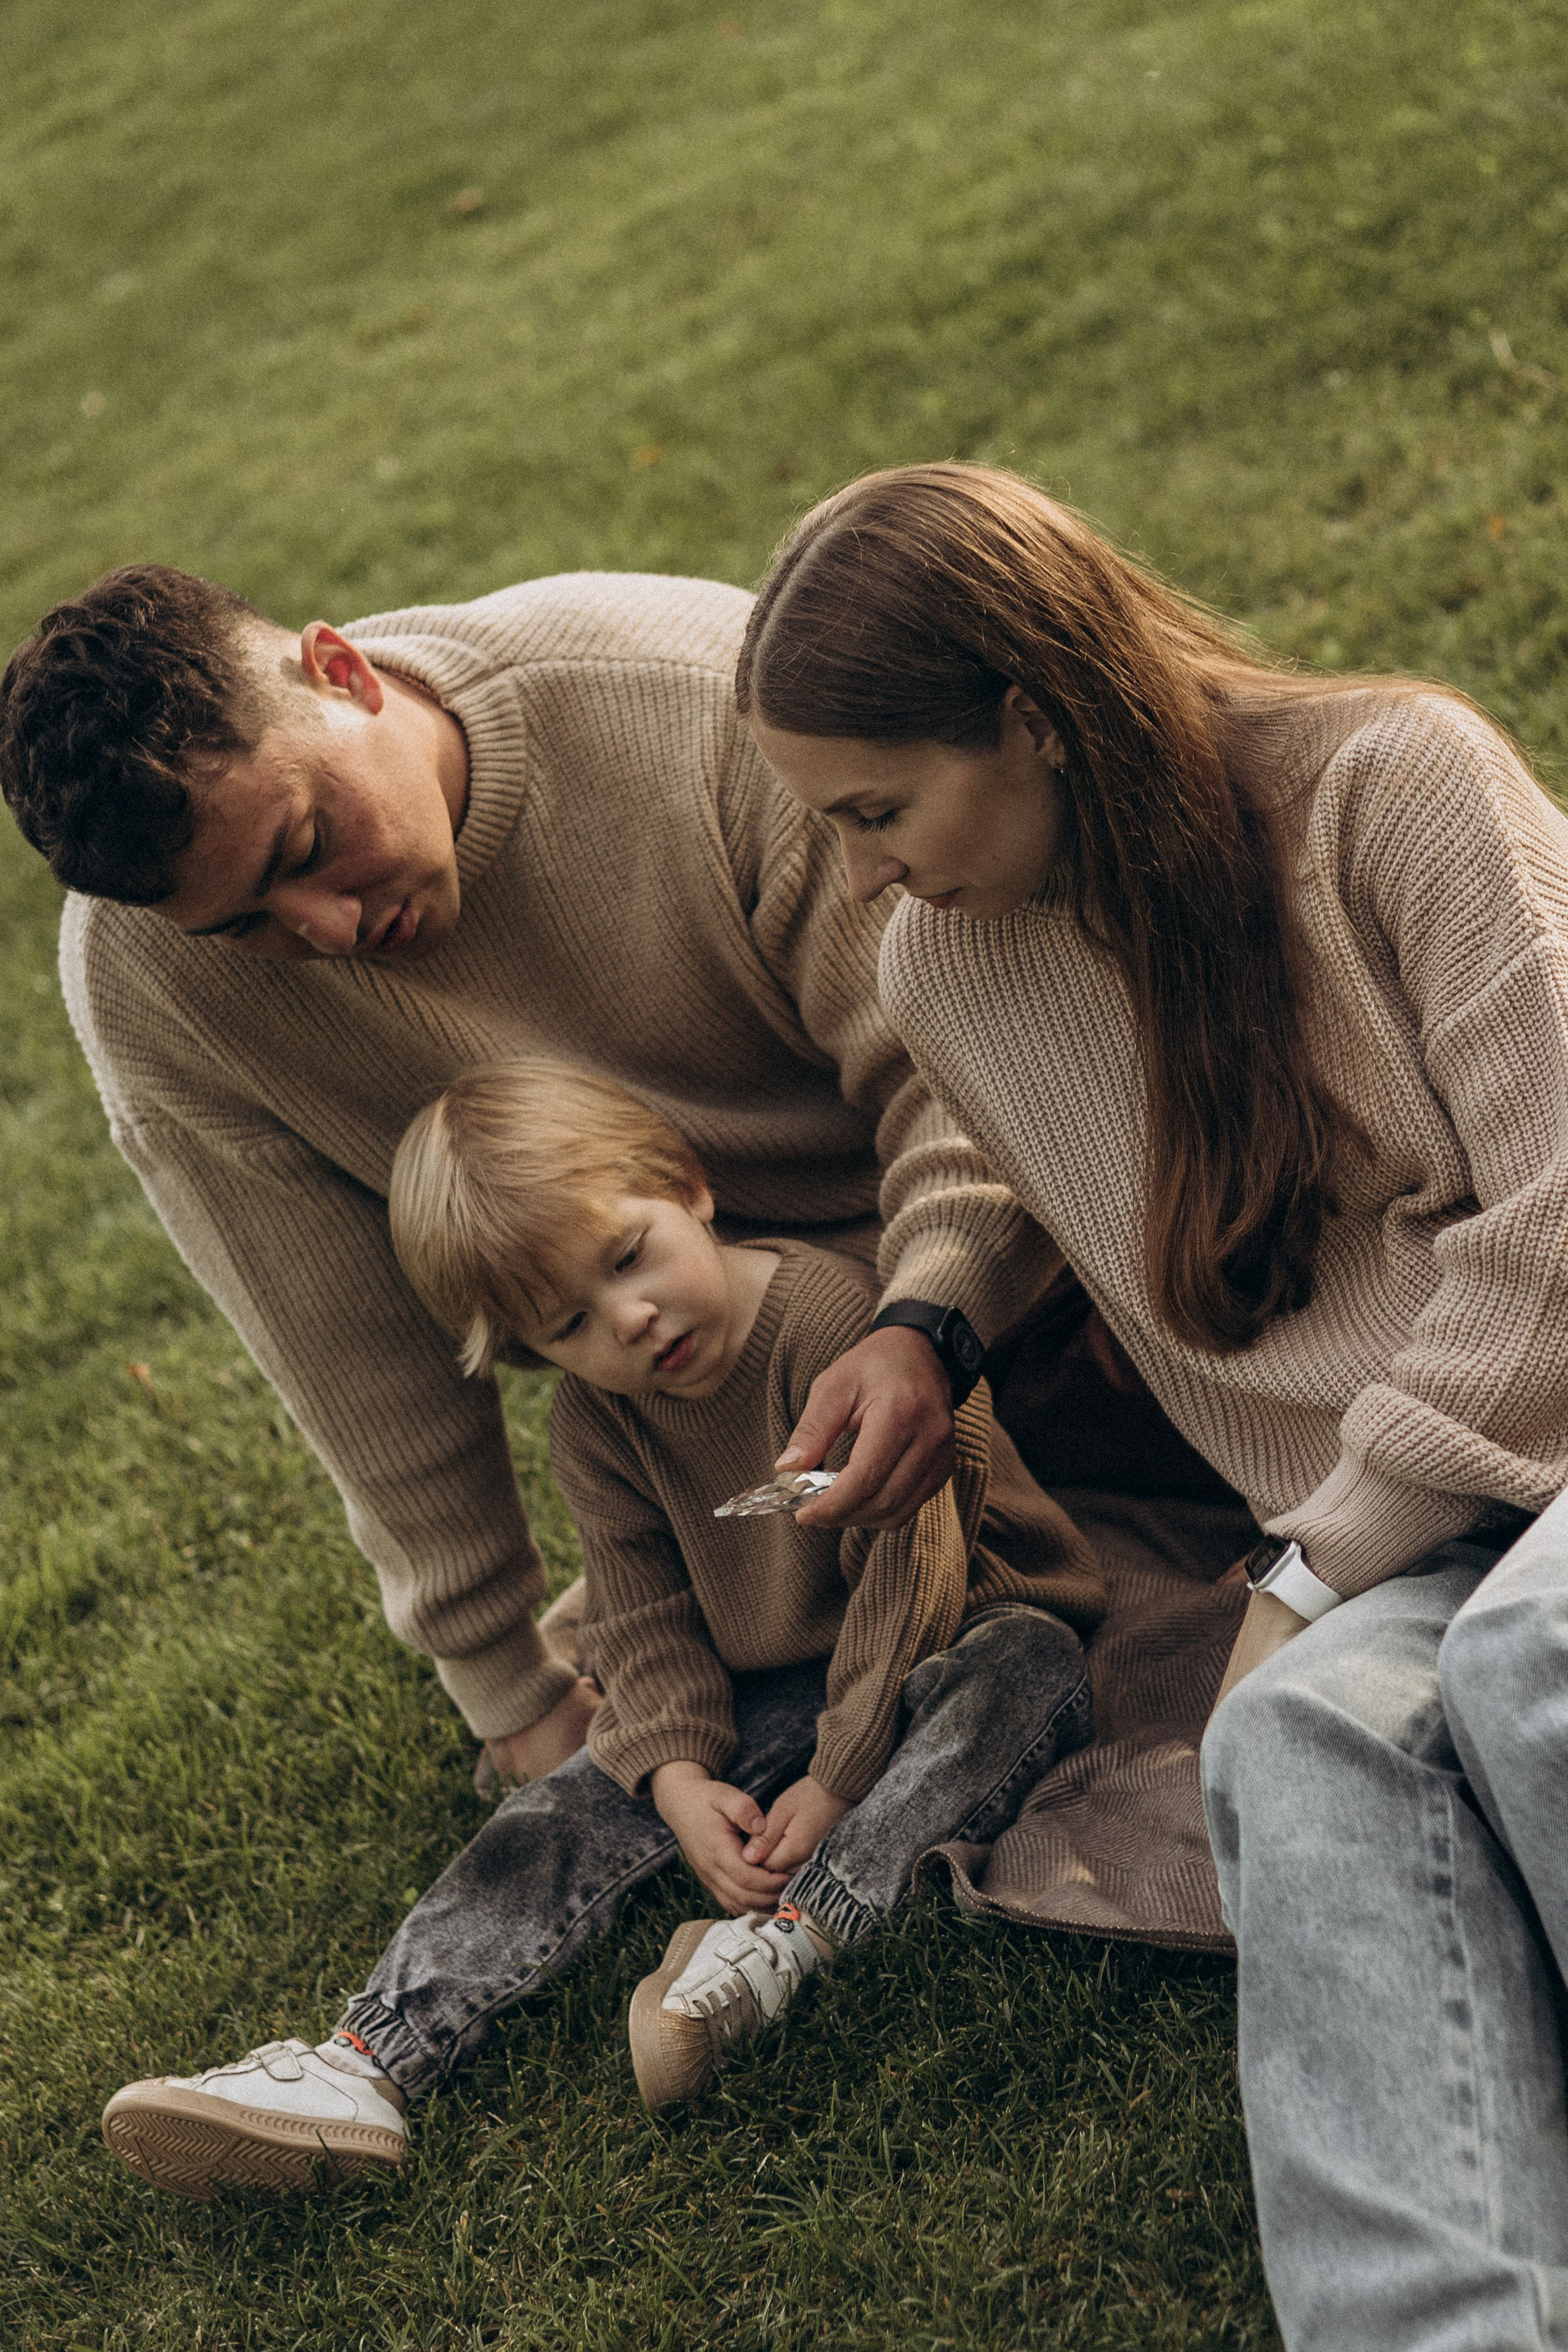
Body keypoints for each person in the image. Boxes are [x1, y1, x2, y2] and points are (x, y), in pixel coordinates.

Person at [733, 460, 1568, 2352]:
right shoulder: (949, 961)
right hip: (1431, 1499)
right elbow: (1051, 1169)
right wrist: (926, 1330)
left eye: (880, 809)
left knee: (1533, 1659)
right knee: (1290, 1754)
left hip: (1507, 1446)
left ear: (1033, 717)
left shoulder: (1392, 786)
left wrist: (1312, 1566)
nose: (863, 868)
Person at [0, 563, 1067, 1789]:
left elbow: (974, 1079)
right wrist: (509, 1686)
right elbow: (346, 1351)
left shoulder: (679, 694)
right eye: (248, 923)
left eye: (311, 842)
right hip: (710, 1424)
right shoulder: (150, 980)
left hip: (995, 1282)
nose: (326, 931)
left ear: (340, 671)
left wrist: (924, 1325)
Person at [101, 1059, 1105, 2197]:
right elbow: (639, 1611)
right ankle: (366, 2061)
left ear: (686, 1185)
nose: (629, 1318)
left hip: (958, 1618)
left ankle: (793, 1935)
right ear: (538, 1355)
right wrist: (673, 1771)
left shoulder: (823, 1320)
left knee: (1026, 1668)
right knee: (572, 1797)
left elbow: (905, 1569)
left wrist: (835, 1778)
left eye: (628, 1256)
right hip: (779, 1672)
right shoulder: (601, 1425)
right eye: (572, 1322)